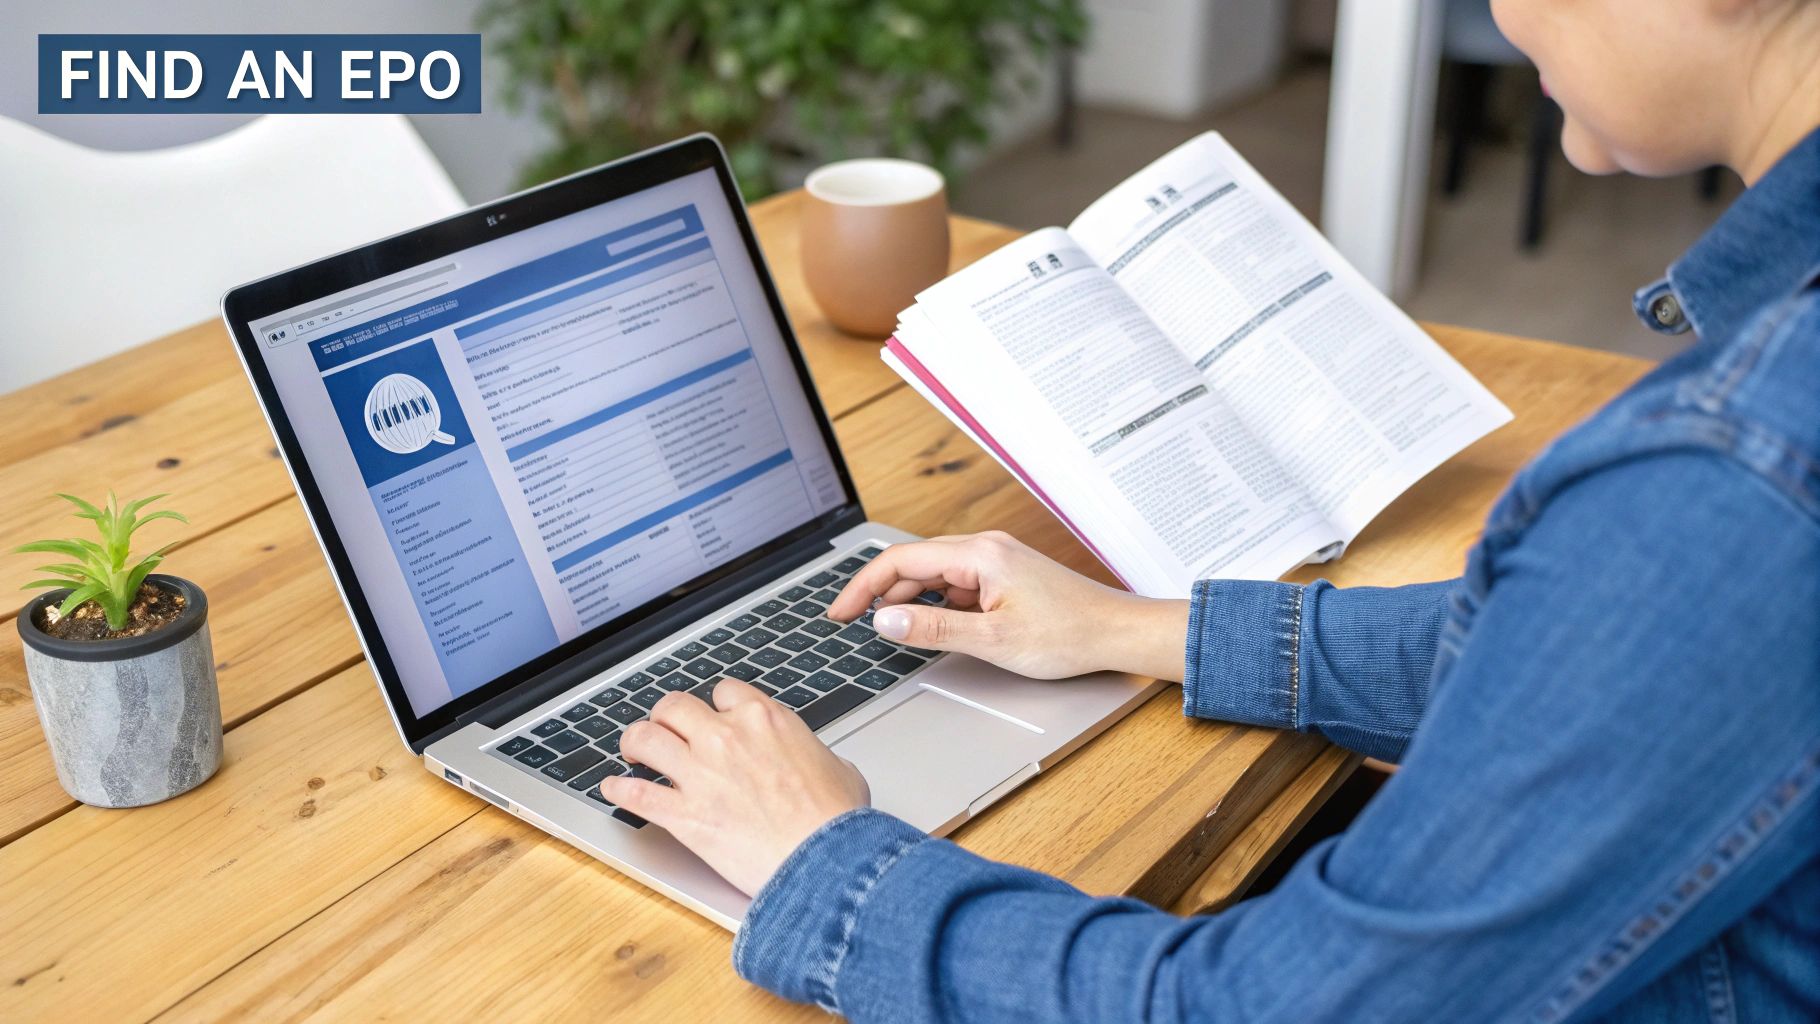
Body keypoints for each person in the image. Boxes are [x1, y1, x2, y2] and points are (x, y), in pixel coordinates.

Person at [598, 0, 1820, 1018]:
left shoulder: (1730, 475)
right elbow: (1569, 651)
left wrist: (824, 866)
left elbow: (1262, 1008)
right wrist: (1130, 628)